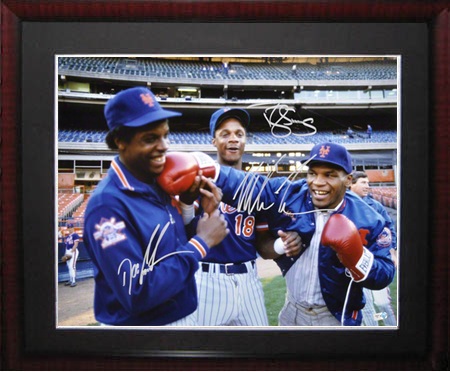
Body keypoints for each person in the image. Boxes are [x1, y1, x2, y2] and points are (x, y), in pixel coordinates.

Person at [157, 142, 396, 326]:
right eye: (313, 173)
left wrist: (356, 258)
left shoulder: (370, 217)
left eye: (330, 175)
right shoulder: (291, 194)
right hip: (293, 311)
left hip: (337, 316)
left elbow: (384, 274)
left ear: (347, 180)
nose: (318, 182)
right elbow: (253, 187)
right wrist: (209, 169)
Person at [83, 87, 229, 326]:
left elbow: (170, 248)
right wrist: (202, 243)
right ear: (120, 140)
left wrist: (187, 206)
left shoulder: (156, 181)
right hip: (138, 332)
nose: (163, 146)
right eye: (150, 138)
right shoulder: (106, 206)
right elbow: (136, 292)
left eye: (165, 135)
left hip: (180, 317)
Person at [179, 108, 301, 326]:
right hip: (207, 280)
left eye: (239, 134)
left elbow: (263, 246)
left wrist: (283, 245)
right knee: (204, 353)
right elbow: (182, 234)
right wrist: (187, 203)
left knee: (259, 352)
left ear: (245, 141)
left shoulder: (258, 187)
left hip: (249, 281)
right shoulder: (198, 180)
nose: (233, 139)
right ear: (213, 141)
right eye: (225, 134)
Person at [350, 171, 397, 326]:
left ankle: (391, 329)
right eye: (363, 183)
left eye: (368, 183)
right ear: (351, 184)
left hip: (375, 260)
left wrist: (393, 252)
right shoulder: (343, 205)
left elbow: (389, 228)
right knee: (366, 307)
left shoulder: (375, 206)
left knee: (382, 303)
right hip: (354, 263)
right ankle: (372, 337)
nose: (367, 186)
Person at [63, 223, 80, 287]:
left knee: (72, 266)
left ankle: (73, 281)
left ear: (73, 228)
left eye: (70, 227)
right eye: (68, 227)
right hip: (68, 251)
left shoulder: (75, 235)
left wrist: (71, 251)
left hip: (73, 251)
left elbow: (76, 244)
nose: (69, 229)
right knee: (68, 266)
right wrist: (66, 253)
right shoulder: (67, 236)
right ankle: (70, 280)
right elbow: (67, 245)